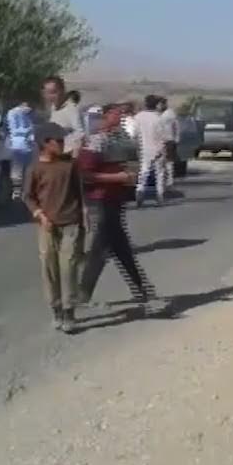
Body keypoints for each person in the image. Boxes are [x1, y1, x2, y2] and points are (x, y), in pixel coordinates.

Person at [77, 103, 164, 315]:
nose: (121, 117)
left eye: (123, 114)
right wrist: (116, 178)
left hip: (116, 199)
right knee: (106, 249)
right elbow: (85, 176)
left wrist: (129, 180)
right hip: (101, 199)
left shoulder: (122, 138)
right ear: (106, 115)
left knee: (116, 248)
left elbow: (131, 163)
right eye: (117, 113)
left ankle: (144, 294)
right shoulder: (95, 140)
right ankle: (144, 295)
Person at [22, 122, 85, 334]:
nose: (61, 144)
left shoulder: (70, 165)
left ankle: (69, 311)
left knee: (68, 267)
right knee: (49, 267)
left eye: (62, 140)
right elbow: (28, 197)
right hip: (47, 226)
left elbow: (80, 192)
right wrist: (39, 215)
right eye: (57, 141)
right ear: (45, 144)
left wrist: (85, 215)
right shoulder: (35, 169)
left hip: (71, 222)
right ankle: (56, 308)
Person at [133, 95, 169, 208]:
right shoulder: (159, 118)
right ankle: (159, 195)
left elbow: (134, 134)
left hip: (144, 148)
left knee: (144, 171)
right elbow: (162, 136)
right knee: (159, 173)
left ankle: (140, 190)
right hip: (157, 148)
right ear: (156, 105)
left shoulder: (138, 117)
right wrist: (163, 150)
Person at [42, 76, 85, 154]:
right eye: (47, 93)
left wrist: (63, 142)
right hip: (54, 153)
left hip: (67, 156)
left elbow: (80, 134)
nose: (50, 96)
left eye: (53, 92)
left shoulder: (72, 109)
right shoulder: (53, 107)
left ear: (62, 90)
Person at [5, 100, 36, 197]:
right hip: (17, 145)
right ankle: (17, 192)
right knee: (17, 170)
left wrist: (31, 134)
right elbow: (14, 130)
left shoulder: (26, 114)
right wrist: (28, 130)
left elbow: (31, 128)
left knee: (27, 170)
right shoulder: (13, 113)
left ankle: (26, 191)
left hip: (28, 145)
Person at [159, 98, 180, 194]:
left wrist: (176, 139)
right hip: (161, 141)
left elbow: (176, 126)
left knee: (168, 162)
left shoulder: (169, 114)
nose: (158, 106)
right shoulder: (159, 114)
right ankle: (164, 182)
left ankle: (169, 182)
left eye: (160, 104)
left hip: (168, 140)